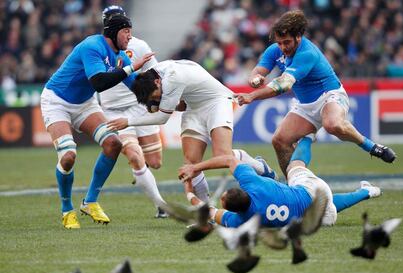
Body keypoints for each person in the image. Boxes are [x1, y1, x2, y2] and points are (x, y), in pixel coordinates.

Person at [236, 10, 396, 177]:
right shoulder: (275, 50)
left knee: (332, 124)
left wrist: (252, 96)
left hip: (330, 95)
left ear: (298, 37)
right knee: (279, 140)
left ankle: (372, 147)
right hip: (305, 105)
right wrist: (255, 78)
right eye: (280, 43)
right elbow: (258, 70)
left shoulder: (307, 53)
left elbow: (283, 84)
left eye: (287, 42)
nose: (283, 47)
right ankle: (294, 185)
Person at [40, 12, 154, 229]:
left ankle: (90, 201)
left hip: (84, 103)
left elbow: (137, 88)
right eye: (126, 31)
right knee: (68, 156)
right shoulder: (92, 46)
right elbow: (99, 82)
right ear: (113, 32)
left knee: (114, 143)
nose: (130, 36)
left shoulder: (122, 56)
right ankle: (66, 209)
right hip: (57, 101)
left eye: (130, 31)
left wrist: (160, 98)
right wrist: (130, 68)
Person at [107, 59, 277, 203]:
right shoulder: (156, 74)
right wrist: (155, 102)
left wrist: (128, 121)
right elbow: (180, 101)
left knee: (222, 157)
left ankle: (259, 166)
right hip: (193, 107)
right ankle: (206, 212)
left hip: (216, 102)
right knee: (191, 163)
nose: (157, 99)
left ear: (157, 82)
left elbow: (162, 118)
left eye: (156, 95)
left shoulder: (172, 79)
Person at [178, 135, 382, 228]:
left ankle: (368, 192)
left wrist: (189, 192)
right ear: (242, 191)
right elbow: (231, 159)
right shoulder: (253, 184)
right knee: (295, 168)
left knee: (323, 203)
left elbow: (207, 211)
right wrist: (195, 168)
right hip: (314, 191)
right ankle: (308, 137)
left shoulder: (240, 221)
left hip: (316, 220)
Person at [98, 5, 167, 218]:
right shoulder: (96, 48)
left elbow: (156, 72)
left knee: (155, 162)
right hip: (113, 111)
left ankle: (142, 173)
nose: (127, 32)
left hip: (138, 106)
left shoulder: (139, 45)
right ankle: (161, 206)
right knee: (135, 156)